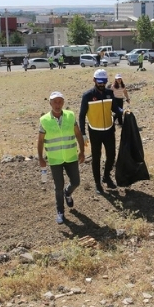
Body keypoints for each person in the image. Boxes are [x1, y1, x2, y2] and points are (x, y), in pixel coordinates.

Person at [37, 91, 86, 224]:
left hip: (71, 157)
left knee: (76, 182)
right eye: (54, 102)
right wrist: (41, 158)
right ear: (50, 103)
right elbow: (40, 140)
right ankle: (60, 211)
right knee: (58, 186)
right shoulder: (44, 120)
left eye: (60, 102)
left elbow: (78, 134)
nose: (57, 105)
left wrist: (82, 151)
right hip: (55, 159)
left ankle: (68, 193)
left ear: (63, 103)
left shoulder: (70, 116)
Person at [79, 69, 122, 194]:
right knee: (96, 158)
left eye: (104, 81)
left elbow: (115, 107)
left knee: (111, 155)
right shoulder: (87, 96)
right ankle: (98, 184)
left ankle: (106, 176)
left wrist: (123, 111)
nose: (102, 84)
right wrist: (83, 134)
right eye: (99, 81)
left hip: (109, 130)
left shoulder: (109, 93)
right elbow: (82, 115)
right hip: (95, 132)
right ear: (94, 80)